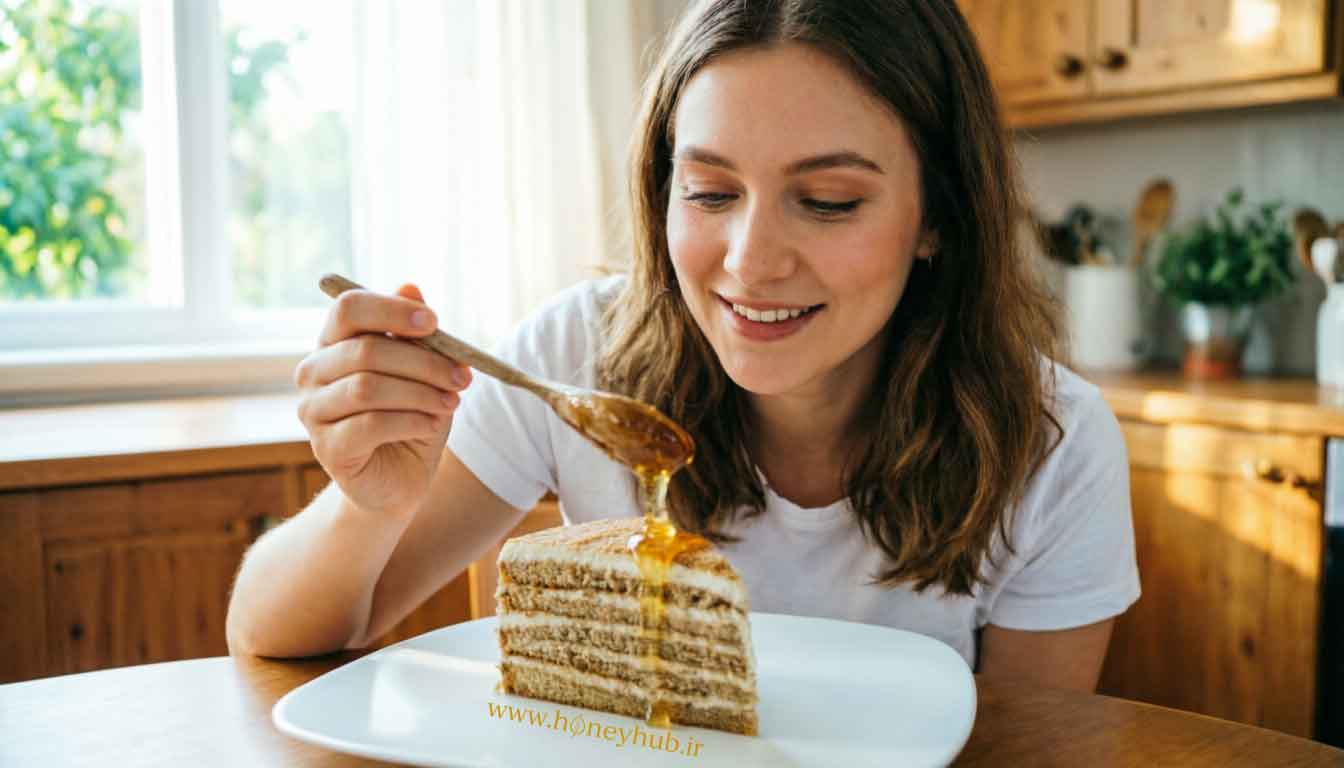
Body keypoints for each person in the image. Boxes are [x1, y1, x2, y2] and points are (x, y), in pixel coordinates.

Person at [227, 0, 1139, 693]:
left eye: (827, 201)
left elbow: (1028, 747)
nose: (750, 261)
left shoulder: (1050, 442)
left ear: (937, 214)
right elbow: (276, 638)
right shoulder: (576, 354)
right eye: (708, 192)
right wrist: (368, 508)